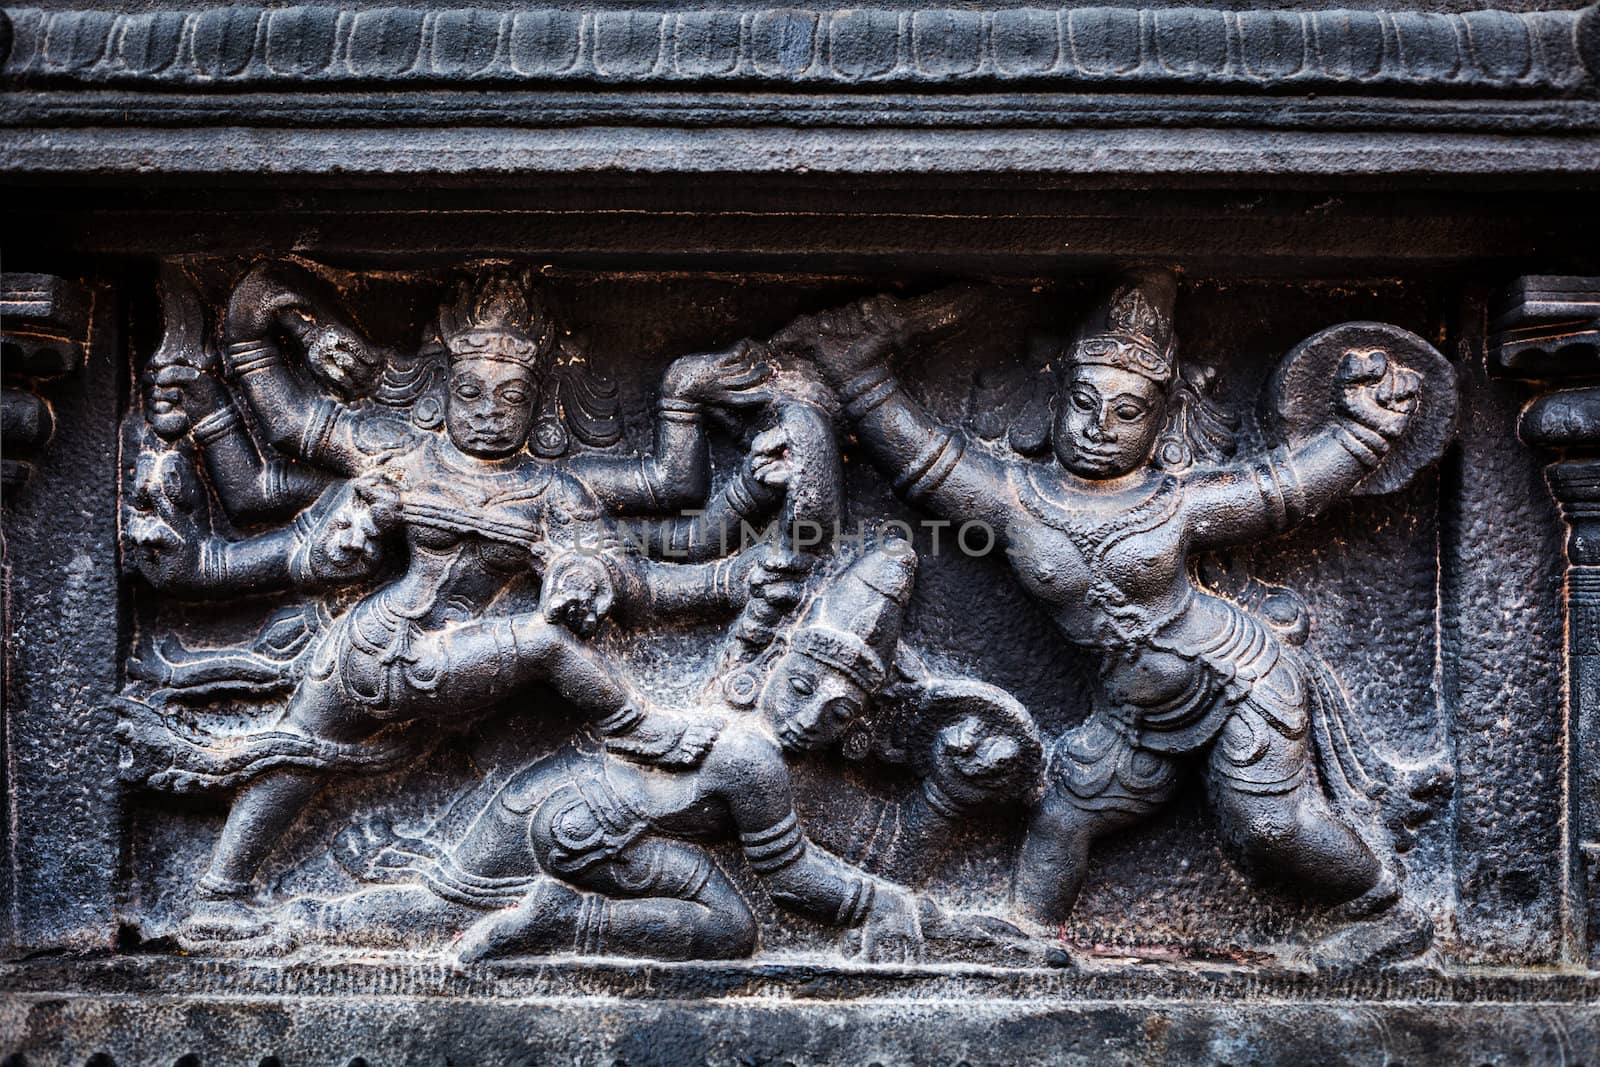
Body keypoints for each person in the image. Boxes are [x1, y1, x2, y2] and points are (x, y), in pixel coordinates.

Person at [795, 272, 1434, 962]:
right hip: (1134, 715)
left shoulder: (1176, 503)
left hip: (1235, 678)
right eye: (1084, 403)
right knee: (1061, 813)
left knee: (1270, 827)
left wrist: (1364, 431)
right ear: (1054, 398)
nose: (1101, 428)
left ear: (1161, 422)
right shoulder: (1015, 501)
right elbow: (925, 462)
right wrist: (859, 378)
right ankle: (1031, 937)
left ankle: (1387, 911)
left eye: (1129, 413)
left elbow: (1282, 491)